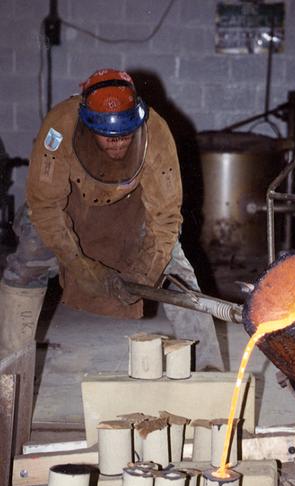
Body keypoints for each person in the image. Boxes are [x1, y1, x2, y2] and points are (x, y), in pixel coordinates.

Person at [0, 68, 224, 370]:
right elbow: (45, 206)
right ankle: (10, 374)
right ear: (88, 125)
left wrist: (146, 274)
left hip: (130, 211)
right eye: (107, 136)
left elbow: (166, 217)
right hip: (69, 208)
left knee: (178, 272)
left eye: (126, 135)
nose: (118, 143)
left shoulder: (156, 132)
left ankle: (208, 371)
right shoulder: (60, 126)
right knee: (26, 264)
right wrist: (80, 266)